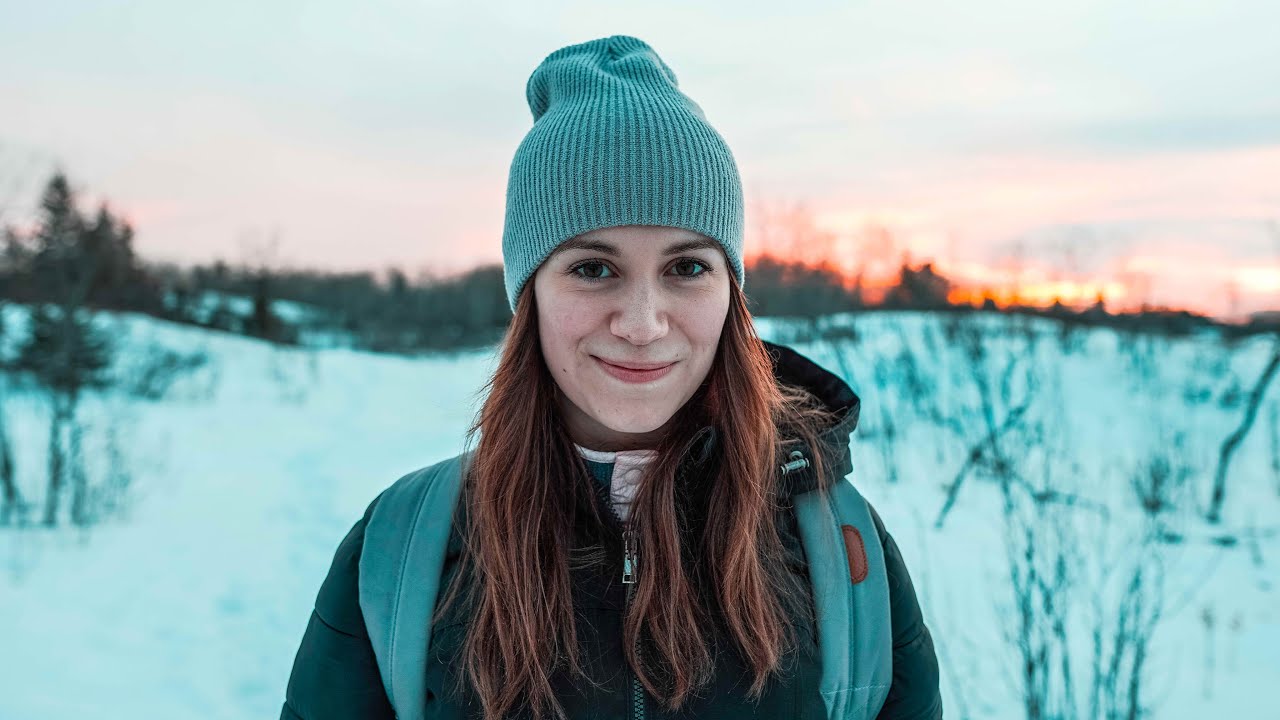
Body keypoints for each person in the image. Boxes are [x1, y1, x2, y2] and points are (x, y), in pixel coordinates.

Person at [281, 35, 941, 720]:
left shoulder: (840, 553)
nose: (643, 323)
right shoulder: (405, 548)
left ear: (731, 294)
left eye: (686, 268)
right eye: (594, 269)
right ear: (529, 292)